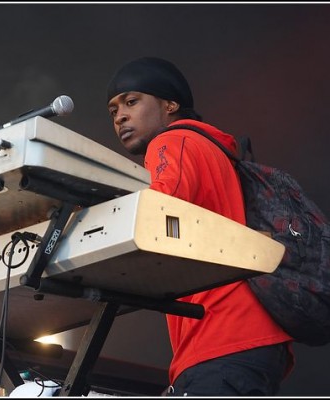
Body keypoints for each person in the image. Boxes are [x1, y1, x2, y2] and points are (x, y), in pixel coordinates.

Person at [105, 56, 294, 396]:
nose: (120, 116)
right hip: (249, 339)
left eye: (131, 101)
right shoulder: (212, 149)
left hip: (222, 337)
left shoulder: (172, 141)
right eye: (113, 110)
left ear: (170, 104)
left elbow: (157, 212)